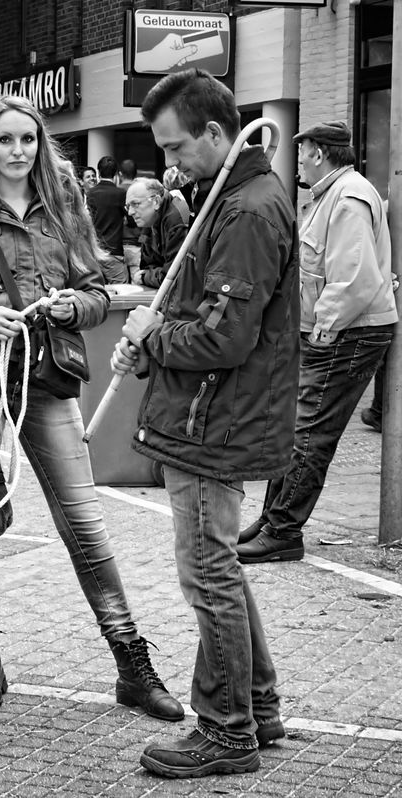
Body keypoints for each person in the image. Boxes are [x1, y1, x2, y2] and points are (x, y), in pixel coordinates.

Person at [0, 95, 183, 723]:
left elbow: (96, 289)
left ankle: (132, 664)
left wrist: (72, 307)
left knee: (84, 523)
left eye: (27, 140)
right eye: (5, 140)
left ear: (40, 144)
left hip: (46, 379)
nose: (17, 151)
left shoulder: (63, 208)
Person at [111, 68, 298, 778]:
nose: (170, 163)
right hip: (212, 414)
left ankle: (226, 729)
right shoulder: (230, 199)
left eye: (177, 147)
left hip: (214, 419)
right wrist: (156, 331)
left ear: (216, 135)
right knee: (219, 565)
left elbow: (224, 338)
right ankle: (258, 703)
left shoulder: (247, 210)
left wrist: (153, 334)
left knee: (208, 573)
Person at [237, 120, 397, 565]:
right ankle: (273, 521)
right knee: (297, 428)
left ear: (319, 153)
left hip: (347, 332)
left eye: (303, 151)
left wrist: (324, 328)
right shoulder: (336, 194)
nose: (299, 161)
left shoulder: (346, 197)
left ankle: (283, 530)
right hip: (343, 330)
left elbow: (354, 278)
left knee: (308, 433)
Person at [126, 177, 187, 288]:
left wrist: (146, 277)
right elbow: (147, 266)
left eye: (135, 204)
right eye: (128, 206)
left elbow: (173, 277)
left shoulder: (176, 220)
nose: (130, 212)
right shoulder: (150, 220)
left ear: (156, 201)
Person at [86, 156, 129, 283]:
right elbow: (131, 221)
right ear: (116, 173)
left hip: (95, 251)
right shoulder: (121, 193)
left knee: (97, 291)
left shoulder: (91, 193)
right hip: (114, 251)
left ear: (98, 172)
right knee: (122, 292)